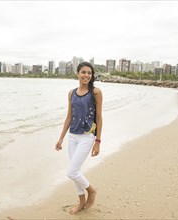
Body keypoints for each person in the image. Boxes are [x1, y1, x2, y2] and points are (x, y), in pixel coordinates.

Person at [55, 61, 103, 215]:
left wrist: (98, 142)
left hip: (87, 137)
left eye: (89, 73)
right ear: (77, 73)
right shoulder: (71, 93)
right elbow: (69, 117)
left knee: (72, 172)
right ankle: (81, 202)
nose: (86, 75)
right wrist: (61, 138)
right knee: (76, 170)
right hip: (73, 136)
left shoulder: (95, 92)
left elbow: (99, 118)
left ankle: (92, 191)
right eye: (83, 72)